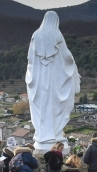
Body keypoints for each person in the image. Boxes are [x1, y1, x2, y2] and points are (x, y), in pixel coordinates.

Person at [25, 11, 80, 149]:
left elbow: (30, 59)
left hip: (39, 80)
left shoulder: (35, 36)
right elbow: (66, 56)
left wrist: (32, 75)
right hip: (54, 80)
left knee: (42, 106)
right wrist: (73, 67)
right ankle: (54, 134)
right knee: (54, 106)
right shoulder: (56, 35)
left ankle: (43, 135)